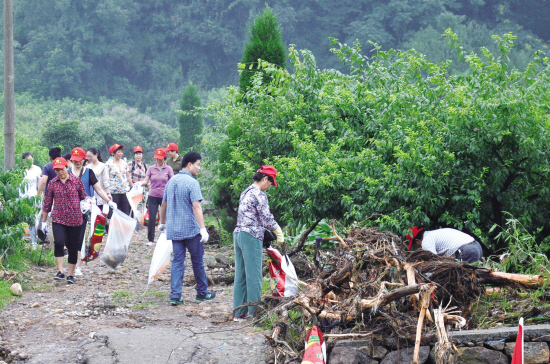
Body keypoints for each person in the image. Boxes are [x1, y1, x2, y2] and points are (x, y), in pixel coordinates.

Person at [158, 151, 215, 305]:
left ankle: (175, 296)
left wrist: (163, 223)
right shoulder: (192, 183)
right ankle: (202, 293)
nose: (199, 168)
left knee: (177, 261)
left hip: (175, 229)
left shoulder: (171, 181)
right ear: (190, 164)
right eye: (198, 164)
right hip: (191, 229)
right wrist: (203, 229)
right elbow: (196, 206)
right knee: (197, 261)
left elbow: (164, 204)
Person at [232, 165, 284, 321]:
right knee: (254, 275)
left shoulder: (246, 192)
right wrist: (278, 231)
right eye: (270, 183)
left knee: (240, 275)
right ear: (265, 178)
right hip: (251, 236)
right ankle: (255, 314)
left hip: (238, 234)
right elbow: (266, 218)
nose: (269, 187)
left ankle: (239, 312)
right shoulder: (259, 195)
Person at [40, 157, 87, 284]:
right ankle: (60, 271)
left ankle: (70, 274)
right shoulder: (52, 183)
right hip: (58, 218)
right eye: (57, 170)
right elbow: (47, 203)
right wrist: (44, 222)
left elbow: (84, 197)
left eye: (62, 169)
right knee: (59, 242)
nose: (60, 172)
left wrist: (86, 204)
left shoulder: (76, 181)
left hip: (75, 218)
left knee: (73, 246)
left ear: (67, 167)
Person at [69, 147, 112, 276]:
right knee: (71, 238)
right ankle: (72, 262)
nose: (77, 163)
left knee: (82, 238)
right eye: (75, 160)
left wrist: (108, 200)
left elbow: (98, 189)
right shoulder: (68, 172)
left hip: (86, 210)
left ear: (84, 160)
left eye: (79, 160)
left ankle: (78, 266)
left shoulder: (89, 172)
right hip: (70, 209)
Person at [141, 148, 173, 243]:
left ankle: (167, 237)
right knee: (151, 218)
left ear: (164, 158)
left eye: (161, 158)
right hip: (153, 196)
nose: (159, 160)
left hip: (165, 197)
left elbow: (172, 181)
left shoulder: (169, 169)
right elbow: (146, 180)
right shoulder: (151, 168)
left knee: (166, 217)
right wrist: (140, 184)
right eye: (157, 158)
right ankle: (151, 239)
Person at [406, 226, 483, 263]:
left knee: (465, 280)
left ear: (417, 241)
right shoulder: (432, 234)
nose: (417, 247)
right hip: (476, 246)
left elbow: (434, 263)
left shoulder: (426, 242)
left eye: (414, 245)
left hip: (467, 251)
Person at [19, 152, 42, 250]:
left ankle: (34, 243)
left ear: (33, 159)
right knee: (23, 219)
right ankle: (20, 242)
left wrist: (39, 196)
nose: (29, 160)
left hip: (33, 197)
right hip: (23, 197)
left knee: (32, 219)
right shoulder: (22, 171)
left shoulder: (37, 169)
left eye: (30, 158)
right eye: (26, 159)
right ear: (24, 160)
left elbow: (40, 183)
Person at [105, 144, 131, 216]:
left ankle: (124, 227)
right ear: (113, 153)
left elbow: (128, 176)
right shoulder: (108, 164)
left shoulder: (124, 163)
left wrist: (132, 187)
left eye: (121, 152)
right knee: (112, 214)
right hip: (113, 193)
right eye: (118, 152)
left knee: (125, 213)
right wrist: (107, 193)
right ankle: (111, 227)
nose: (120, 154)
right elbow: (106, 179)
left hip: (124, 192)